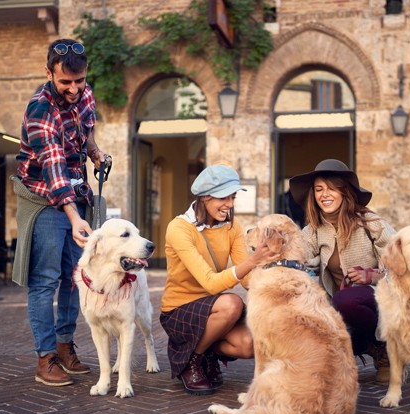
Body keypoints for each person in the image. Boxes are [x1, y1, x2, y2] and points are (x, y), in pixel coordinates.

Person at [14, 38, 111, 387]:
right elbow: (54, 170)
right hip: (43, 197)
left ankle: (65, 344)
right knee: (46, 279)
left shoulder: (85, 95)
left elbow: (85, 135)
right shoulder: (39, 110)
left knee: (76, 277)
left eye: (79, 81)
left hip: (76, 192)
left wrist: (96, 153)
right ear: (49, 73)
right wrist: (74, 218)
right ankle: (45, 357)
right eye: (65, 82)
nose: (73, 89)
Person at [160, 165, 279, 395]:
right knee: (232, 303)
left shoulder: (231, 227)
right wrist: (253, 260)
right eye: (224, 197)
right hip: (179, 309)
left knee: (248, 345)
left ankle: (204, 350)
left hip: (215, 310)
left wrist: (277, 287)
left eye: (232, 197)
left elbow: (247, 279)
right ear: (205, 196)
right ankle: (192, 360)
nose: (231, 204)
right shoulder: (179, 228)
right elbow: (211, 283)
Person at [289, 159, 396, 383]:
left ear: (345, 192)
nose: (324, 194)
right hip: (336, 306)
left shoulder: (372, 223)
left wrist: (372, 275)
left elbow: (401, 265)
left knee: (347, 300)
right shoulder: (313, 231)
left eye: (331, 188)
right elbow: (296, 256)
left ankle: (383, 348)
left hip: (380, 300)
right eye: (319, 189)